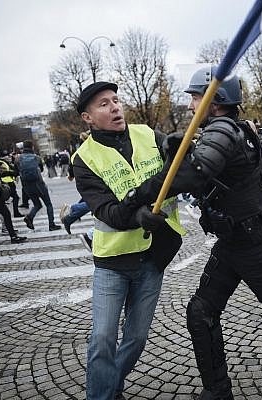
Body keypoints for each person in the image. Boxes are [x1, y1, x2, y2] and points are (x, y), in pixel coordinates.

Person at [118, 65, 262, 400]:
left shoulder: (222, 128)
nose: (190, 106)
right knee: (200, 312)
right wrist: (177, 144)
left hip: (255, 244)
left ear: (213, 100)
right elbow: (203, 160)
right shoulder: (226, 127)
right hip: (232, 243)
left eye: (194, 98)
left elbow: (195, 173)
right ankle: (217, 390)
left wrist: (138, 195)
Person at [70, 81, 184, 400]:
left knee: (136, 340)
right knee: (103, 337)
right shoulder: (84, 159)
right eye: (103, 104)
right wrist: (137, 216)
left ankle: (110, 387)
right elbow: (108, 211)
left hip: (153, 258)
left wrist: (180, 147)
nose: (115, 107)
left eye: (116, 100)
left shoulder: (148, 134)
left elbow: (179, 169)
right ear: (88, 118)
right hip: (113, 264)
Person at [18, 140, 61, 232]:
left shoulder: (18, 158)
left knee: (37, 204)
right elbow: (41, 169)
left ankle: (29, 217)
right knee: (48, 204)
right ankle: (51, 224)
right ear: (32, 147)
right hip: (39, 185)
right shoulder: (36, 157)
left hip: (27, 186)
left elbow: (16, 171)